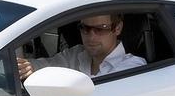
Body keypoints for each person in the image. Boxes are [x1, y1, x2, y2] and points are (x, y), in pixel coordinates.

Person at [17, 14, 147, 80]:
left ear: (117, 28)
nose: (91, 36)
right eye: (85, 28)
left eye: (100, 29)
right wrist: (27, 67)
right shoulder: (76, 54)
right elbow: (45, 65)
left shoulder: (133, 66)